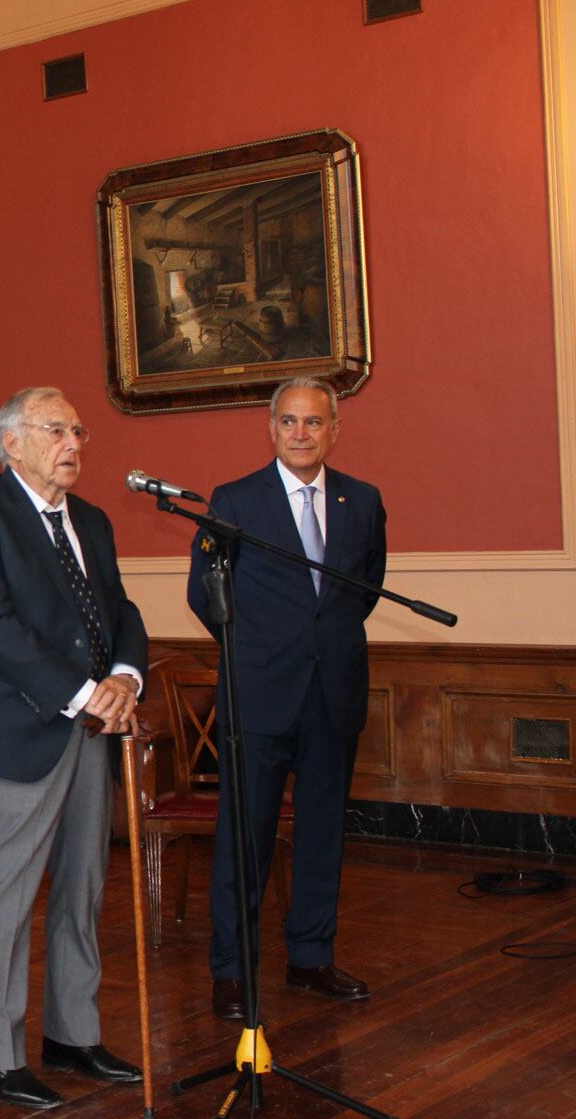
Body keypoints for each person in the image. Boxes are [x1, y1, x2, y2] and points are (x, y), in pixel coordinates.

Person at [0, 386, 148, 1111]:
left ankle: (74, 1033)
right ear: (12, 443)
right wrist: (84, 691)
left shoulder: (89, 519)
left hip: (91, 728)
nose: (74, 443)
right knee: (6, 892)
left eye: (78, 431)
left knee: (84, 886)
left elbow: (119, 608)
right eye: (56, 430)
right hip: (18, 726)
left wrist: (124, 676)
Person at [188, 377, 386, 1021]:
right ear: (271, 429)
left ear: (335, 430)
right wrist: (264, 645)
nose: (302, 434)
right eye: (290, 423)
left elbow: (364, 589)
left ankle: (311, 957)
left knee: (323, 831)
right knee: (245, 836)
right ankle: (232, 967)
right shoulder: (233, 500)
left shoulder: (364, 500)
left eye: (315, 423)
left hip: (333, 690)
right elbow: (205, 595)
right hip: (260, 694)